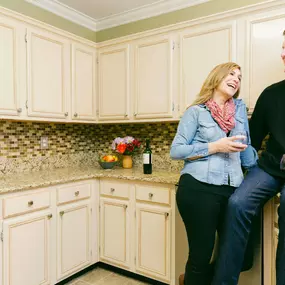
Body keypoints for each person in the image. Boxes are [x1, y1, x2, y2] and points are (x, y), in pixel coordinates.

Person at [170, 62, 258, 285]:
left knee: (240, 257)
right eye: (231, 74)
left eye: (239, 76)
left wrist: (257, 154)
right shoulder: (196, 112)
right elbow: (176, 150)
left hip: (232, 192)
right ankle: (192, 279)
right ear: (216, 78)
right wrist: (215, 147)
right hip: (198, 188)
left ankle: (187, 280)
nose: (236, 79)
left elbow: (247, 159)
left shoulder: (239, 114)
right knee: (201, 256)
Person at [211, 31, 285, 285]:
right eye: (283, 48)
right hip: (270, 168)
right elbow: (251, 137)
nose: (283, 53)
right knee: (237, 204)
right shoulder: (271, 94)